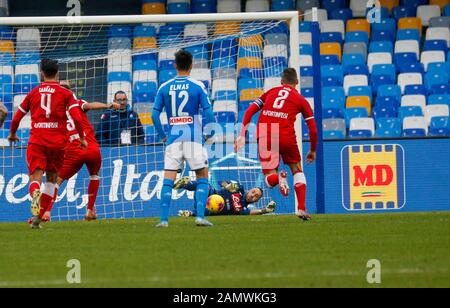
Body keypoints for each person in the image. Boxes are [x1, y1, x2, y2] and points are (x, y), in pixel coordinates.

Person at [8, 59, 87, 229]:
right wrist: (81, 137)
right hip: (57, 143)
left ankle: (35, 197)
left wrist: (13, 133)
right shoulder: (66, 94)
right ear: (57, 73)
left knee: (35, 178)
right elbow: (77, 117)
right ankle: (39, 217)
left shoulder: (33, 92)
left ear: (42, 73)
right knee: (51, 180)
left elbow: (16, 117)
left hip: (37, 141)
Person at [235, 68, 318, 221]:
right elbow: (313, 129)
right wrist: (312, 150)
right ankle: (301, 208)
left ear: (281, 82)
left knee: (269, 179)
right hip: (286, 136)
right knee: (297, 170)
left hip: (266, 133)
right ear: (297, 83)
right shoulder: (301, 100)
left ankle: (278, 177)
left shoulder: (271, 92)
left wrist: (242, 135)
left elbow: (249, 111)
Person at [38, 81, 121, 223]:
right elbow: (90, 106)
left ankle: (47, 212)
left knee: (57, 181)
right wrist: (107, 105)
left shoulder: (54, 111)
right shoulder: (76, 102)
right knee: (94, 175)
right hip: (91, 147)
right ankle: (89, 210)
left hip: (73, 151)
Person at [152, 49, 215, 228]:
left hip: (173, 139)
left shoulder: (164, 86)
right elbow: (209, 113)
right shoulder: (197, 86)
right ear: (191, 65)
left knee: (168, 179)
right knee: (202, 176)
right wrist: (207, 134)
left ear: (175, 65)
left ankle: (164, 220)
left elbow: (154, 116)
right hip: (194, 137)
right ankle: (200, 217)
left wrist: (163, 136)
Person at [175, 177, 276, 217]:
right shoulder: (239, 188)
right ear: (250, 189)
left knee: (210, 211)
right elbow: (221, 182)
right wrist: (228, 186)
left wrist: (265, 211)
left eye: (256, 197)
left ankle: (190, 213)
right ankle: (182, 185)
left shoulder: (243, 209)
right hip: (210, 195)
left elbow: (251, 213)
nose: (252, 195)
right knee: (205, 185)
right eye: (253, 192)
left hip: (211, 209)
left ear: (256, 201)